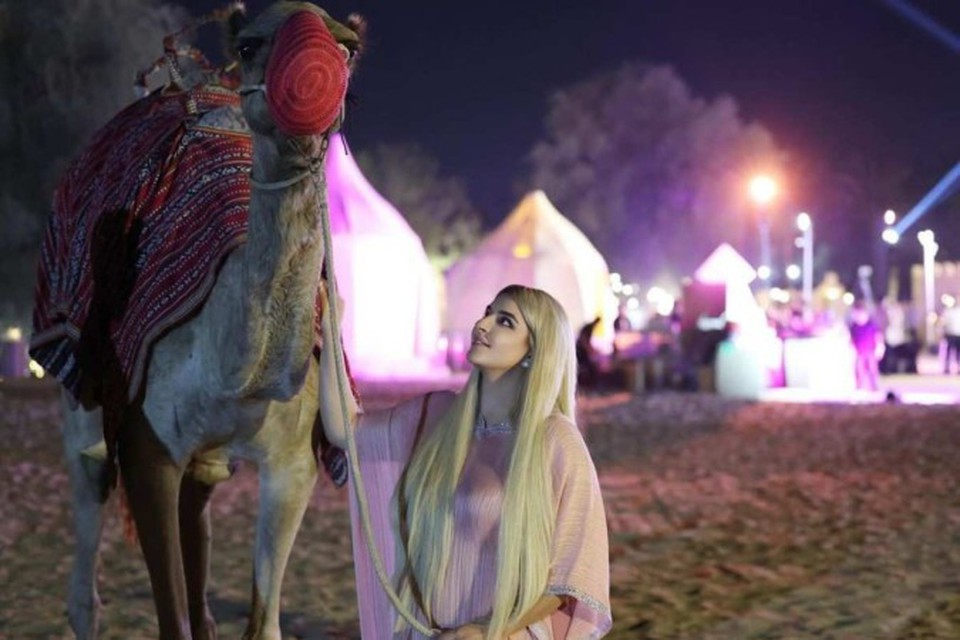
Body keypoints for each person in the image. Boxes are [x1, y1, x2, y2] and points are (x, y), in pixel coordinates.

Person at [318, 283, 612, 639]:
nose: (483, 325)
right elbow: (343, 429)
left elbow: (571, 576)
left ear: (533, 349)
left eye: (505, 321)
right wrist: (333, 325)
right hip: (425, 630)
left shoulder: (555, 440)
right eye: (488, 312)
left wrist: (486, 631)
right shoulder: (437, 415)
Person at [848, 300, 883, 391]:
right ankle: (859, 387)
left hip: (870, 351)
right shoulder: (854, 326)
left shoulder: (871, 325)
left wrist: (880, 347)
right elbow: (851, 339)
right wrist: (852, 349)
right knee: (859, 370)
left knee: (872, 370)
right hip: (859, 352)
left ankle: (874, 387)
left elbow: (878, 337)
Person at [940, 300, 960, 374]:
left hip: (958, 334)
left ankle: (958, 367)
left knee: (958, 352)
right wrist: (942, 332)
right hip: (951, 334)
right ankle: (946, 367)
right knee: (949, 352)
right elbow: (944, 323)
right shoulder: (948, 311)